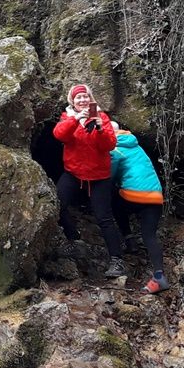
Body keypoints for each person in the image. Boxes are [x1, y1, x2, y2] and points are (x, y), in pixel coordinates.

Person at [53, 84, 126, 278]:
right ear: (72, 102)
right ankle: (74, 239)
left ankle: (117, 260)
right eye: (78, 98)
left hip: (98, 176)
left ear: (91, 99)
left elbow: (109, 145)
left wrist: (100, 128)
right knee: (57, 205)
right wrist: (76, 119)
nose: (83, 100)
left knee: (104, 217)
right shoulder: (67, 117)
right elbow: (59, 135)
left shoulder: (101, 117)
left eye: (85, 97)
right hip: (74, 173)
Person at [110, 121, 168, 293]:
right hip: (156, 196)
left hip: (134, 195)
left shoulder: (114, 147)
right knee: (149, 235)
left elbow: (111, 174)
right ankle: (159, 277)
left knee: (115, 202)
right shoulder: (135, 144)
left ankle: (129, 239)